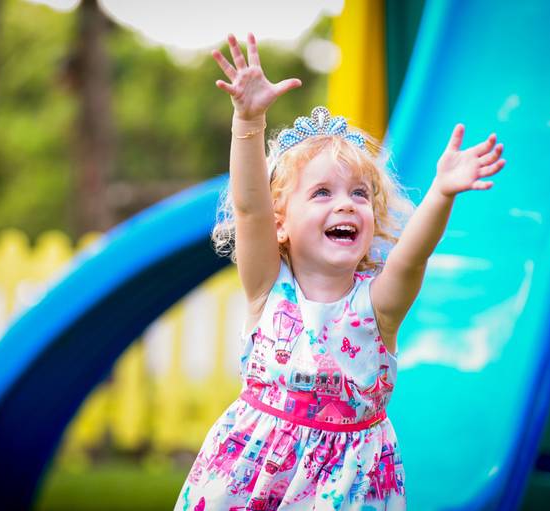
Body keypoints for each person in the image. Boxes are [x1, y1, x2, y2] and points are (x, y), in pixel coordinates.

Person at [173, 33, 505, 511]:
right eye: (322, 193)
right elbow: (249, 209)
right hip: (252, 472)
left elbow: (412, 255)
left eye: (359, 194)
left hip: (348, 482)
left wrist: (441, 193)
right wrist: (248, 119)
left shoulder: (379, 305)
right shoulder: (267, 286)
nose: (345, 204)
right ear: (281, 223)